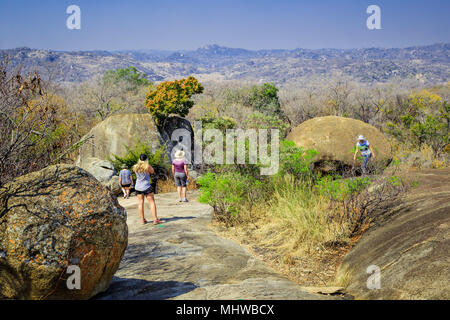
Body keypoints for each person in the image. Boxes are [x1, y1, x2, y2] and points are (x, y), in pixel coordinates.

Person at [133, 154, 163, 225]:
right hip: (146, 186)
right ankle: (155, 219)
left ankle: (143, 219)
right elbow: (152, 171)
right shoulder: (147, 166)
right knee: (152, 202)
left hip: (138, 186)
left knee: (140, 202)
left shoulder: (135, 167)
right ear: (146, 159)